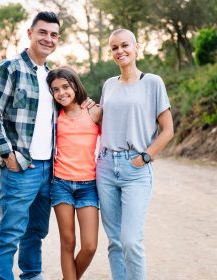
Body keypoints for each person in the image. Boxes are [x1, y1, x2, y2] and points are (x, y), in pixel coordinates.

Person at [0, 11, 94, 280]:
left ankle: (31, 276)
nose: (48, 38)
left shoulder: (50, 77)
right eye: (42, 32)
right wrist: (7, 155)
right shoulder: (9, 68)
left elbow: (68, 110)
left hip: (50, 171)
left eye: (54, 34)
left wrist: (88, 104)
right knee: (10, 233)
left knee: (36, 233)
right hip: (21, 169)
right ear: (30, 33)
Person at [96, 28, 174, 280]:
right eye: (115, 48)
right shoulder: (108, 85)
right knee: (115, 241)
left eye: (125, 45)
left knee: (131, 241)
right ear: (111, 53)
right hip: (106, 166)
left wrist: (145, 157)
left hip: (136, 168)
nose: (120, 51)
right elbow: (101, 123)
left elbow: (168, 129)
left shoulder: (152, 82)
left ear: (137, 47)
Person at [46, 67, 102, 280]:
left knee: (89, 245)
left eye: (65, 87)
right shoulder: (54, 115)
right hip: (61, 183)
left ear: (75, 86)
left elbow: (110, 142)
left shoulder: (94, 111)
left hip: (88, 186)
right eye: (55, 90)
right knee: (68, 241)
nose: (61, 93)